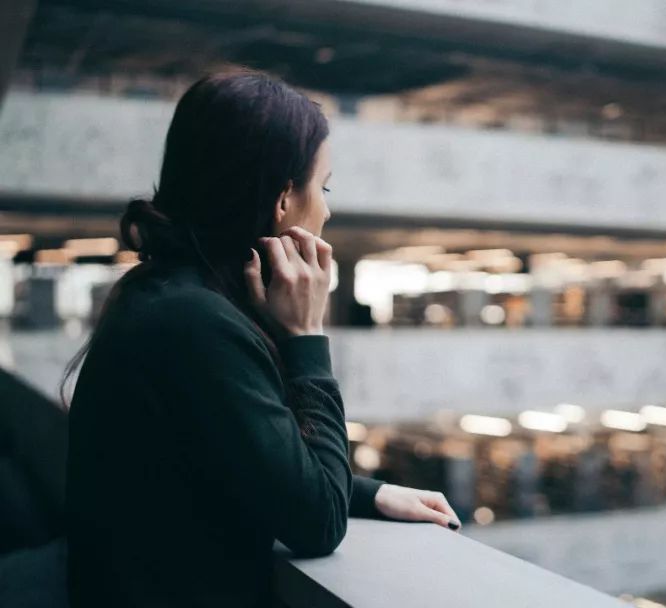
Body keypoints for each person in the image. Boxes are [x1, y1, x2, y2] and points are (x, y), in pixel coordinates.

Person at [63, 70, 461, 608]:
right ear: (281, 202)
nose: (327, 208)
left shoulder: (167, 294)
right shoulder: (196, 324)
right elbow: (316, 521)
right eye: (322, 187)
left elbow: (247, 454)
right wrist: (305, 337)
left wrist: (372, 492)